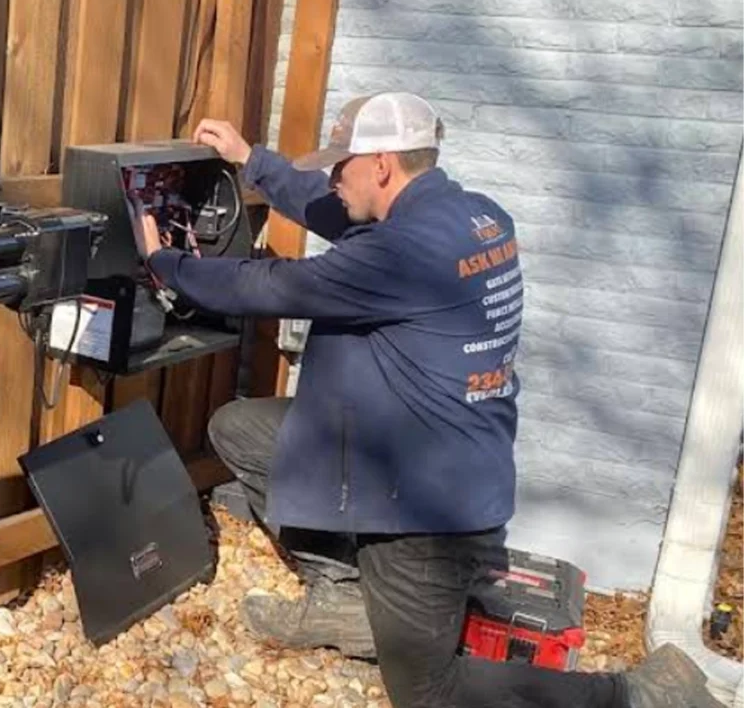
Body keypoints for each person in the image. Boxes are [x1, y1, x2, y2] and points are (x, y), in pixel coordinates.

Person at [126, 92, 720, 708]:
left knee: (429, 692)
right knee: (243, 431)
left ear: (382, 165)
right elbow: (337, 214)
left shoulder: (398, 254)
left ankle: (636, 694)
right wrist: (253, 161)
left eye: (340, 165)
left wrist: (166, 261)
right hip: (435, 452)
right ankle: (348, 596)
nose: (331, 178)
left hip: (426, 509)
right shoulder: (474, 216)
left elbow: (268, 284)